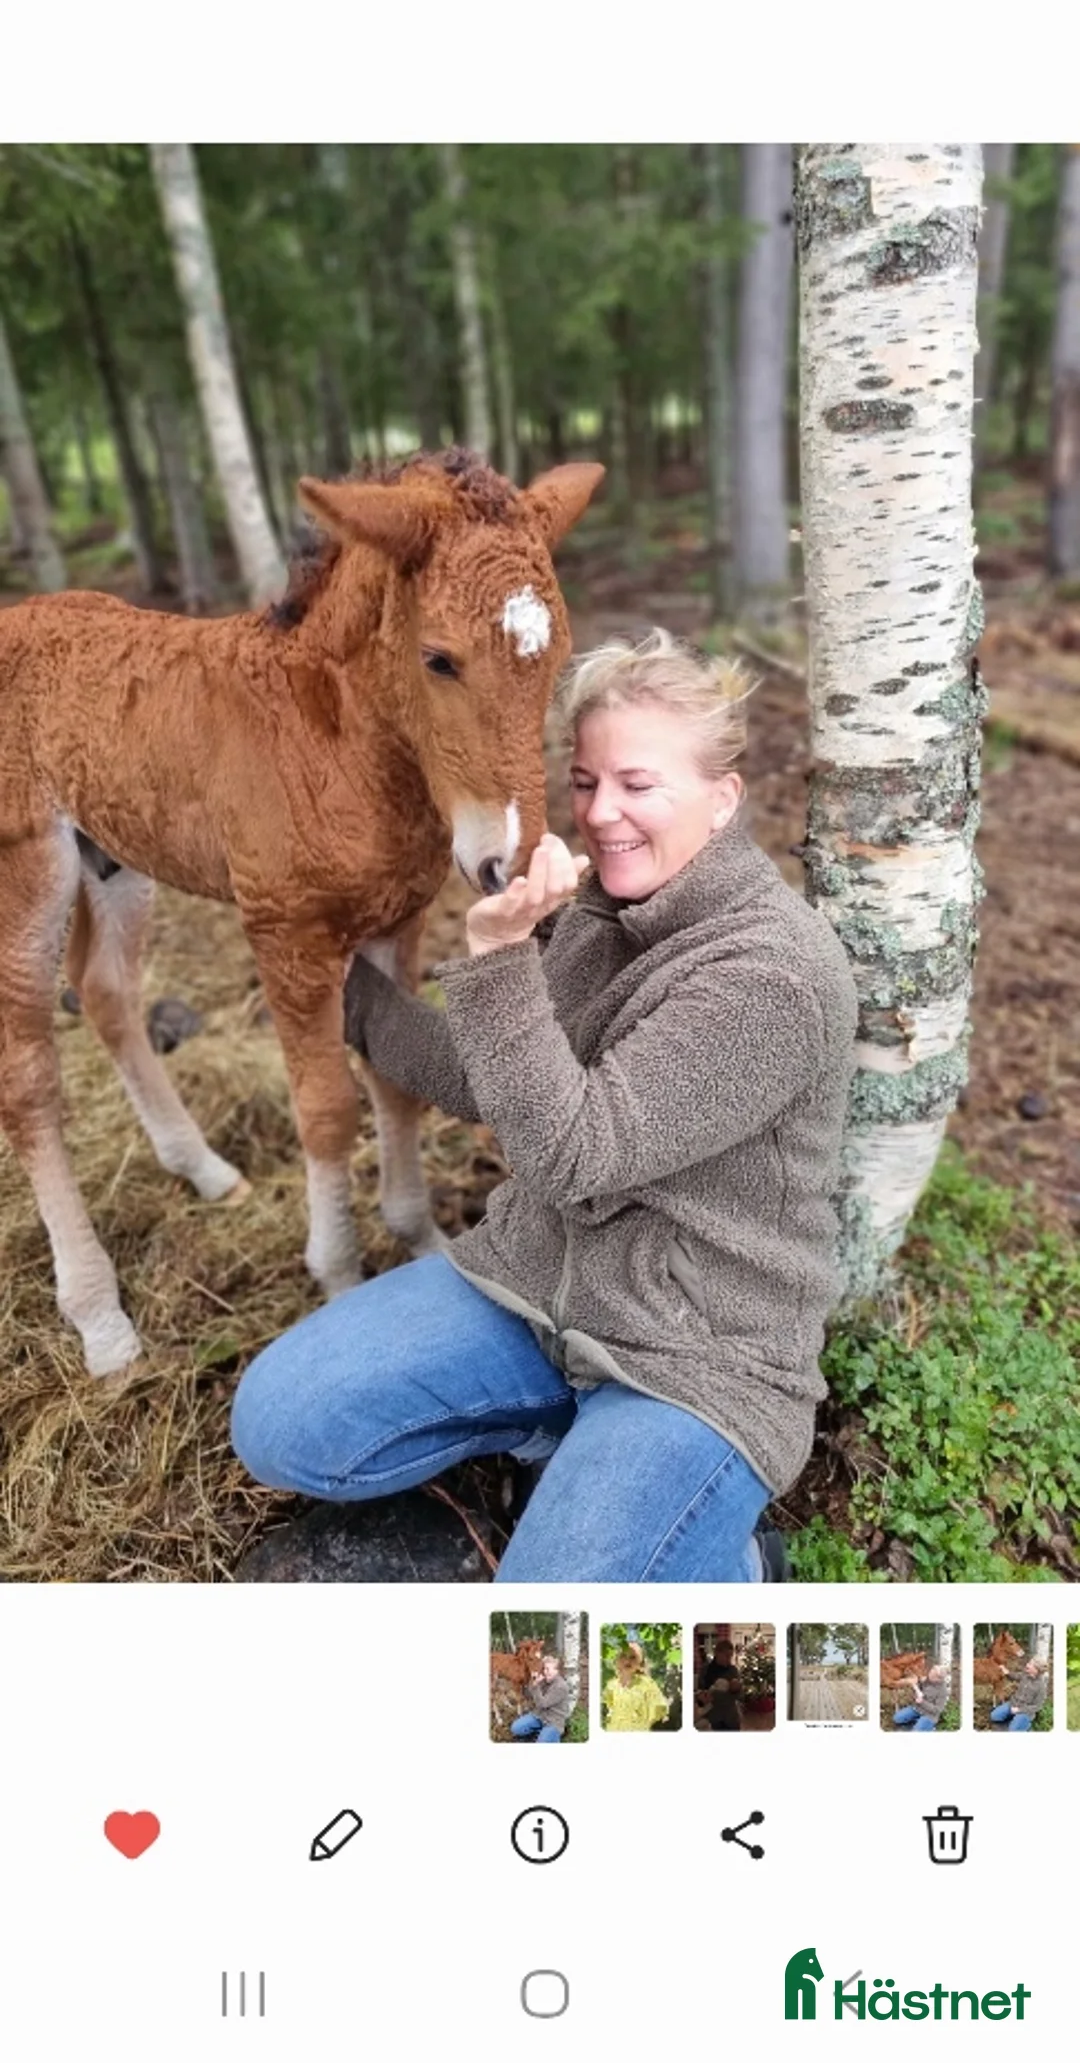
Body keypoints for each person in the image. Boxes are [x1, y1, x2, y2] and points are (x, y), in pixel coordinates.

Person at [232, 630, 859, 1582]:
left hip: (690, 1360)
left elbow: (573, 1150)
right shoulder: (599, 911)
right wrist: (345, 995)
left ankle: (732, 1562)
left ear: (722, 799)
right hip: (534, 1294)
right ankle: (548, 1435)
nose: (603, 813)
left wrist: (499, 960)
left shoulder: (772, 975)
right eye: (585, 781)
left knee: (548, 1642)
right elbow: (502, 1077)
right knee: (280, 1423)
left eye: (638, 785)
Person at [604, 1641, 669, 1732]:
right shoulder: (611, 1685)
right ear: (617, 1660)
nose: (627, 1660)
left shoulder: (647, 1683)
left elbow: (659, 1705)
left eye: (633, 1657)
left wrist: (650, 1719)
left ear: (640, 1663)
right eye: (623, 1656)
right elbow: (610, 1704)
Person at [510, 1653, 572, 1744]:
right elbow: (529, 1694)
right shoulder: (544, 1680)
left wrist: (536, 1687)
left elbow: (543, 1704)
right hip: (539, 1716)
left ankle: (554, 1735)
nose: (545, 1671)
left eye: (548, 1669)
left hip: (553, 1721)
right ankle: (541, 1732)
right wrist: (534, 1682)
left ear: (557, 1671)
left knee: (542, 1742)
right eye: (544, 1669)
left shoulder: (560, 1686)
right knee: (515, 1728)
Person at [990, 1654, 1050, 1732]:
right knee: (994, 1716)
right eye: (1029, 1663)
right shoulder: (1025, 1675)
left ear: (1036, 1670)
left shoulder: (1040, 1687)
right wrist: (1007, 1672)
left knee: (1013, 1730)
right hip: (1013, 1704)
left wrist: (1019, 1710)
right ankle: (1014, 1717)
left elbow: (1037, 1706)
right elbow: (1016, 1676)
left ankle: (1026, 1724)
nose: (1027, 1665)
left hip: (1025, 1712)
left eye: (1030, 1664)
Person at [698, 1636, 743, 1730]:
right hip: (712, 1720)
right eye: (726, 1655)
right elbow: (700, 1692)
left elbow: (737, 1695)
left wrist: (714, 1695)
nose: (729, 1659)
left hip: (731, 1719)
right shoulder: (705, 1670)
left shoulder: (733, 1670)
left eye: (730, 1656)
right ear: (717, 1653)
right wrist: (701, 1698)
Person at [892, 1660, 950, 1732]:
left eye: (933, 1676)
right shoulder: (927, 1679)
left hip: (929, 1715)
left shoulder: (942, 1691)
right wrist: (915, 1684)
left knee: (916, 1731)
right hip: (917, 1709)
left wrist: (922, 1702)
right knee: (897, 1718)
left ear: (939, 1679)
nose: (929, 1676)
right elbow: (918, 1691)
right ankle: (918, 1721)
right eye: (930, 1673)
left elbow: (937, 1710)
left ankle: (929, 1727)